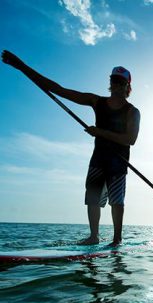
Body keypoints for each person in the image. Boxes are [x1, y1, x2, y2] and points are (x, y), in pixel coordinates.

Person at [2, 50, 141, 246]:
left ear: (128, 86)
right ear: (110, 83)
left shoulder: (132, 112)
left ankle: (117, 239)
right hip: (98, 159)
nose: (116, 85)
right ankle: (94, 237)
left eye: (121, 82)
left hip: (118, 161)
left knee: (116, 201)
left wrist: (99, 132)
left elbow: (130, 139)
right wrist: (21, 66)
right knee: (92, 198)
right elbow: (58, 89)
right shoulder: (96, 101)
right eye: (114, 81)